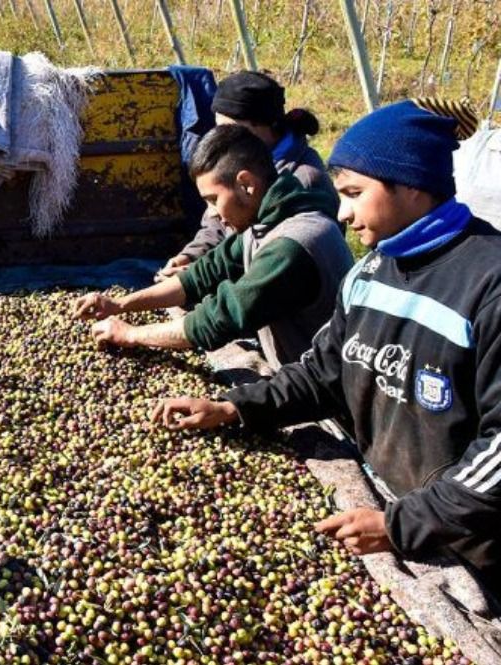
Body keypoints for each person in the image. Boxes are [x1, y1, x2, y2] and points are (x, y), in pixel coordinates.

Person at [151, 101, 501, 593]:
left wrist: (402, 523)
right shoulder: (372, 273)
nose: (344, 212)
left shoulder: (488, 285)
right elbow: (323, 371)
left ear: (413, 186)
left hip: (476, 546)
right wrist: (232, 407)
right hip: (391, 502)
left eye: (355, 193)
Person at [73, 124, 351, 369]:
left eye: (212, 199)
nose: (213, 214)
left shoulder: (291, 245)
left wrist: (130, 334)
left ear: (246, 185)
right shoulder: (268, 221)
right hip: (302, 382)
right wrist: (119, 304)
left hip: (332, 408)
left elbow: (215, 322)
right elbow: (202, 274)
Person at [159, 71, 336, 281]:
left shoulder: (304, 181)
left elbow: (276, 264)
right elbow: (217, 224)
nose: (222, 138)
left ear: (263, 127)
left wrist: (199, 279)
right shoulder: (232, 162)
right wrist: (191, 256)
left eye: (230, 130)